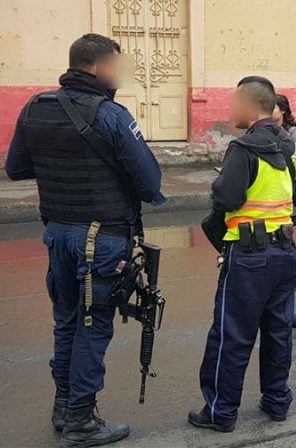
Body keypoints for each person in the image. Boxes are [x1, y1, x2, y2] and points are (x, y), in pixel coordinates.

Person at [5, 33, 164, 447]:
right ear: (97, 67)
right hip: (101, 239)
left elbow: (16, 168)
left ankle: (64, 408)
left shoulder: (35, 108)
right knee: (92, 328)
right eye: (117, 66)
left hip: (58, 234)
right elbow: (149, 183)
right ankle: (80, 422)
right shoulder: (111, 115)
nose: (120, 74)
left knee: (68, 323)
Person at [189, 76, 296, 433]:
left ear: (250, 105)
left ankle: (220, 413)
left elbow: (225, 197)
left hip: (249, 258)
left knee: (232, 335)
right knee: (278, 332)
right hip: (285, 253)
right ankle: (276, 401)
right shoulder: (291, 149)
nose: (230, 110)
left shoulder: (242, 149)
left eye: (234, 103)